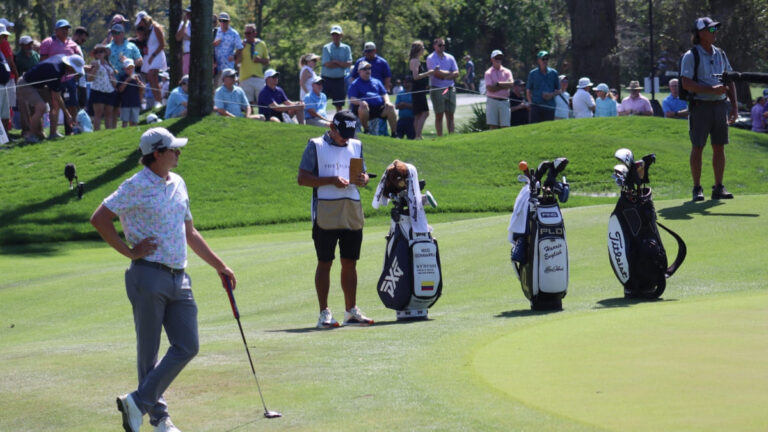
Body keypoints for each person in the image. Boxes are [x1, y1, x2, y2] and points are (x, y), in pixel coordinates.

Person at [90, 127, 236, 432]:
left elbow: (190, 232)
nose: (178, 153)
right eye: (173, 149)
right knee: (149, 351)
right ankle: (159, 419)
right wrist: (129, 252)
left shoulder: (178, 183)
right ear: (156, 154)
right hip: (147, 275)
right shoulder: (135, 185)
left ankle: (137, 402)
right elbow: (100, 218)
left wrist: (220, 266)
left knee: (187, 345)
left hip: (179, 277)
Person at [297, 110, 374, 328]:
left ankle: (351, 310)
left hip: (351, 208)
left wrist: (364, 178)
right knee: (325, 262)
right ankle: (324, 313)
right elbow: (302, 179)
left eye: (350, 134)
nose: (346, 138)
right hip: (325, 211)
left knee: (350, 262)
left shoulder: (356, 145)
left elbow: (364, 174)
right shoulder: (315, 145)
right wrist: (331, 180)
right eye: (342, 134)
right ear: (332, 127)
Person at [681, 17, 738, 201]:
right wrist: (710, 89)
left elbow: (729, 80)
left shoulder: (720, 53)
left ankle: (718, 187)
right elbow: (686, 83)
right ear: (700, 33)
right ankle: (697, 188)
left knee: (719, 147)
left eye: (715, 29)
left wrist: (734, 107)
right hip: (700, 107)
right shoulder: (691, 56)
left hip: (720, 106)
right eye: (711, 30)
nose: (715, 33)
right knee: (698, 147)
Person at [16, 54, 84, 142]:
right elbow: (57, 96)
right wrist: (67, 115)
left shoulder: (61, 59)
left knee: (55, 105)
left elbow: (56, 98)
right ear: (69, 65)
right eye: (75, 69)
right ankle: (30, 135)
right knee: (41, 107)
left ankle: (53, 133)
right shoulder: (56, 71)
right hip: (26, 84)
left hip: (40, 85)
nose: (75, 72)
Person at [39, 19, 84, 138]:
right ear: (56, 30)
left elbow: (78, 60)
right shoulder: (48, 42)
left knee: (72, 105)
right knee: (55, 105)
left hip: (70, 79)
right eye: (63, 29)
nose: (65, 31)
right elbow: (42, 61)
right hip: (54, 79)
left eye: (67, 29)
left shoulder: (73, 44)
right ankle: (53, 132)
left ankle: (72, 130)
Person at [348, 60, 396, 136]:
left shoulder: (377, 81)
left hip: (378, 108)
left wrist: (387, 102)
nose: (367, 70)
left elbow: (384, 94)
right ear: (359, 71)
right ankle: (367, 130)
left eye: (369, 68)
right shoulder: (355, 84)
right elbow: (352, 99)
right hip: (363, 108)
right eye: (365, 69)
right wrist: (360, 102)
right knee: (363, 106)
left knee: (391, 107)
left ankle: (394, 134)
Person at [426, 38, 459, 136]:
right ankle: (440, 136)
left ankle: (451, 136)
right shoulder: (431, 58)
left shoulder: (450, 57)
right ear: (435, 46)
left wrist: (446, 76)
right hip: (437, 89)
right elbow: (437, 74)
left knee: (450, 115)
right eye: (440, 45)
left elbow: (457, 73)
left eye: (444, 45)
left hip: (450, 89)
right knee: (439, 115)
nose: (442, 47)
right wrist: (450, 74)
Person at [136, 13, 167, 108]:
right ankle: (158, 100)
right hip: (149, 56)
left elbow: (162, 44)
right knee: (151, 78)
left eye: (140, 22)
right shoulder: (146, 30)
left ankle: (158, 101)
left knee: (151, 75)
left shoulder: (156, 28)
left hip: (156, 55)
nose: (140, 24)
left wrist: (153, 56)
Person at [321, 25, 353, 111]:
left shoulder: (346, 48)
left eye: (337, 35)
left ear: (341, 35)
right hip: (326, 79)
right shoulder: (326, 48)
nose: (335, 36)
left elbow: (349, 63)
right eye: (333, 34)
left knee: (339, 104)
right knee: (322, 102)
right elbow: (327, 64)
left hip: (340, 79)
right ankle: (322, 122)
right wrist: (342, 64)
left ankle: (339, 122)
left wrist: (336, 62)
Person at [238, 23, 269, 105]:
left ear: (254, 33)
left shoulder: (261, 44)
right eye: (245, 33)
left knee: (262, 102)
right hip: (245, 78)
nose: (247, 35)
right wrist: (241, 49)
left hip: (259, 77)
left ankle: (262, 117)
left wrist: (260, 60)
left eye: (249, 33)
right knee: (248, 104)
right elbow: (237, 61)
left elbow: (267, 61)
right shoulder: (241, 44)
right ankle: (249, 117)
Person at [88, 44, 118, 130]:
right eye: (97, 52)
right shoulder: (94, 63)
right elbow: (89, 79)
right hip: (98, 91)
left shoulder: (109, 64)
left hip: (110, 91)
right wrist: (95, 69)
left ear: (105, 53)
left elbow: (113, 79)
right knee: (98, 115)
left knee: (109, 115)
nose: (99, 54)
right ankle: (97, 133)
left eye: (101, 51)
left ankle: (108, 133)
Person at [526, 50, 561, 123]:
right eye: (543, 59)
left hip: (549, 106)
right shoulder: (533, 73)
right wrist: (530, 103)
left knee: (548, 129)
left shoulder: (554, 73)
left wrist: (551, 95)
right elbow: (528, 90)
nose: (545, 61)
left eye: (546, 59)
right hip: (536, 106)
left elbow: (559, 90)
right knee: (534, 129)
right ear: (538, 60)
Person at [408, 40, 433, 140]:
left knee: (418, 114)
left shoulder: (415, 60)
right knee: (425, 113)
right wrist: (429, 73)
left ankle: (418, 135)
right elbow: (415, 76)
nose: (424, 49)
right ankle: (418, 135)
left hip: (419, 89)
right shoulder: (415, 61)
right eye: (422, 48)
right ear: (418, 49)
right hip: (418, 90)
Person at [484, 49, 514, 129]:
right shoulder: (488, 73)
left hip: (504, 101)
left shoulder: (507, 71)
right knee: (493, 126)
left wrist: (498, 84)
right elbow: (490, 88)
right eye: (496, 58)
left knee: (505, 126)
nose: (498, 60)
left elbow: (511, 84)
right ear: (492, 59)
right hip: (492, 101)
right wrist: (504, 85)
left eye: (500, 58)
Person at [213, 12, 242, 87]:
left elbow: (240, 48)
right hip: (216, 68)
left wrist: (234, 56)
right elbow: (207, 47)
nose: (222, 23)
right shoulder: (215, 32)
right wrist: (214, 44)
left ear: (229, 21)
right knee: (216, 91)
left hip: (228, 67)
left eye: (225, 21)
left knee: (229, 89)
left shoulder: (234, 33)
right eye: (220, 20)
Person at [0, 23, 18, 132]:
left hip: (4, 84)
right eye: (3, 35)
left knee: (5, 113)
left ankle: (6, 138)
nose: (5, 38)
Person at [117, 59, 144, 127]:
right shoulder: (122, 77)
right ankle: (124, 134)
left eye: (131, 68)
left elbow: (142, 88)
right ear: (124, 69)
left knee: (134, 121)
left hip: (135, 103)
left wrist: (138, 81)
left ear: (134, 68)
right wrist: (127, 80)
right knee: (125, 121)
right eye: (128, 68)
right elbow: (120, 90)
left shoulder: (138, 77)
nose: (130, 70)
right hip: (125, 103)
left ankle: (132, 133)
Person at [175, 6, 192, 75]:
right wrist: (184, 24)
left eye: (189, 13)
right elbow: (178, 38)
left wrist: (188, 38)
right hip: (187, 53)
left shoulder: (199, 24)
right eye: (186, 13)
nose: (187, 15)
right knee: (186, 76)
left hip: (197, 54)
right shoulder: (183, 24)